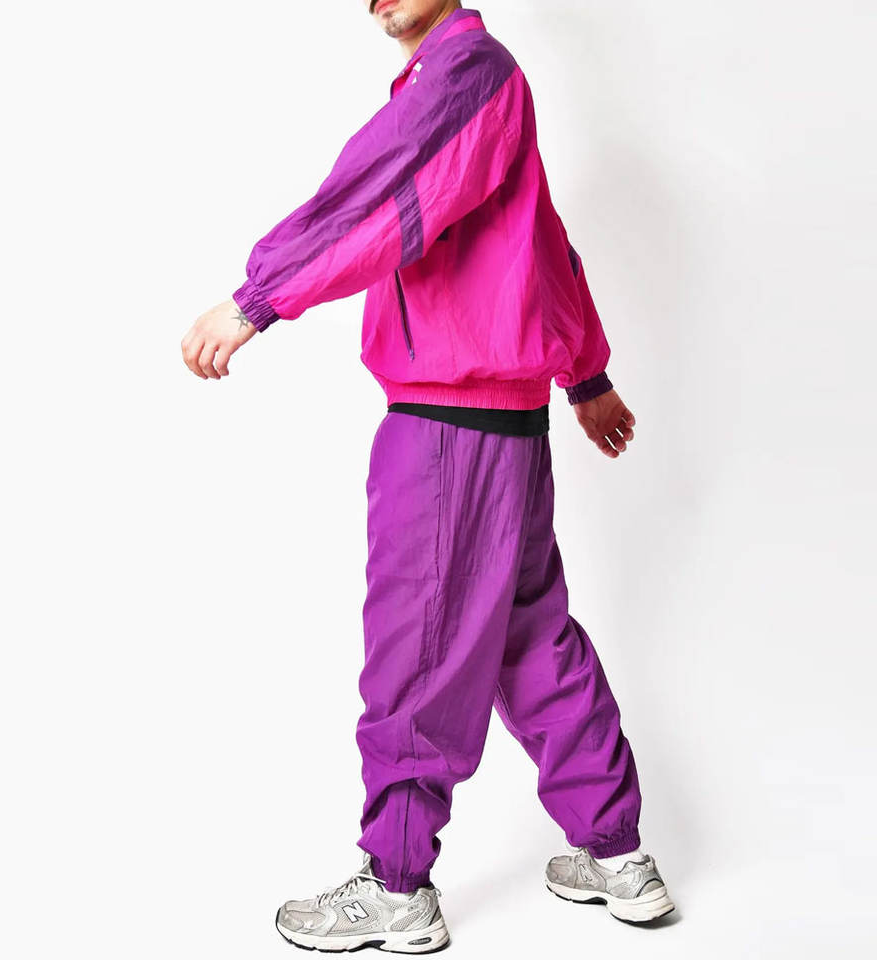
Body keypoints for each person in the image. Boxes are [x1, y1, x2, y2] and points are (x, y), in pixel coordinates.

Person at [180, 1, 675, 952]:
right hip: (508, 423)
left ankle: (398, 883)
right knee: (531, 637)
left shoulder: (464, 75)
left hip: (447, 423)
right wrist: (586, 375)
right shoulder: (487, 82)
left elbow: (379, 193)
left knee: (419, 640)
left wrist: (257, 299)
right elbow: (541, 243)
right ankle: (618, 853)